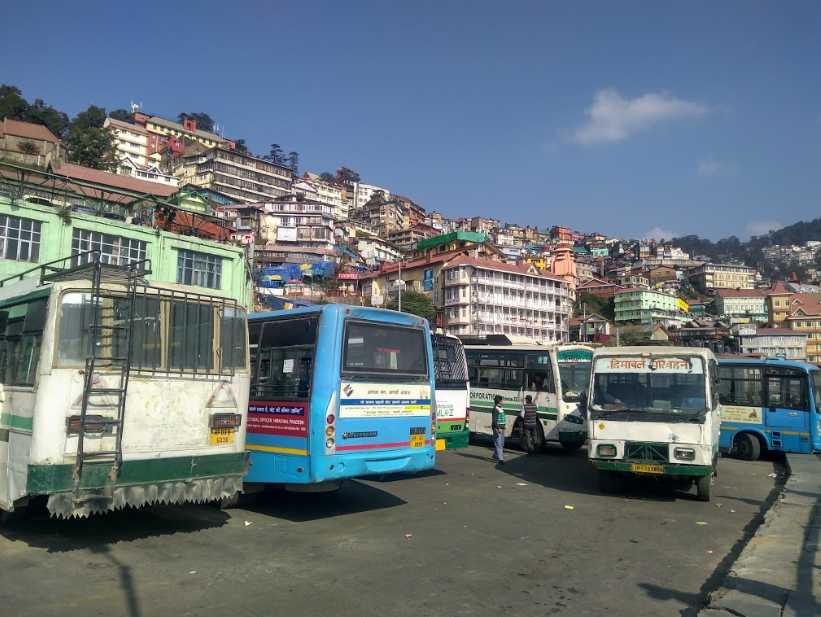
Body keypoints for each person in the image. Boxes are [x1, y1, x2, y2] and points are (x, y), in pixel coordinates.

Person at [491, 394, 506, 464]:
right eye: (502, 400)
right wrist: (498, 428)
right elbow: (494, 420)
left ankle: (495, 455)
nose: (503, 401)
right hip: (498, 428)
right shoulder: (495, 409)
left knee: (501, 443)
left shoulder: (501, 408)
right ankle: (501, 459)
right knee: (499, 443)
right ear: (499, 401)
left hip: (502, 428)